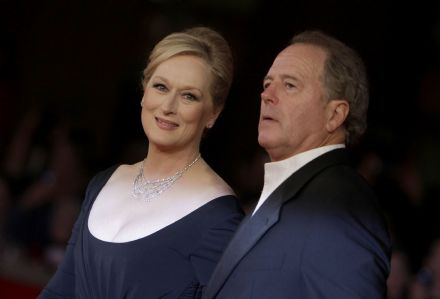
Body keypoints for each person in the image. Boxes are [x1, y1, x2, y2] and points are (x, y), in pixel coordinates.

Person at [38, 26, 244, 299]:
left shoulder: (219, 218)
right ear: (144, 92)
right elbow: (61, 289)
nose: (168, 106)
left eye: (188, 95)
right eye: (161, 87)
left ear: (213, 114)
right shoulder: (103, 183)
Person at [202, 30, 391, 299]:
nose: (267, 95)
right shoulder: (291, 195)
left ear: (335, 115)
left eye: (290, 85)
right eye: (267, 83)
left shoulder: (340, 205)